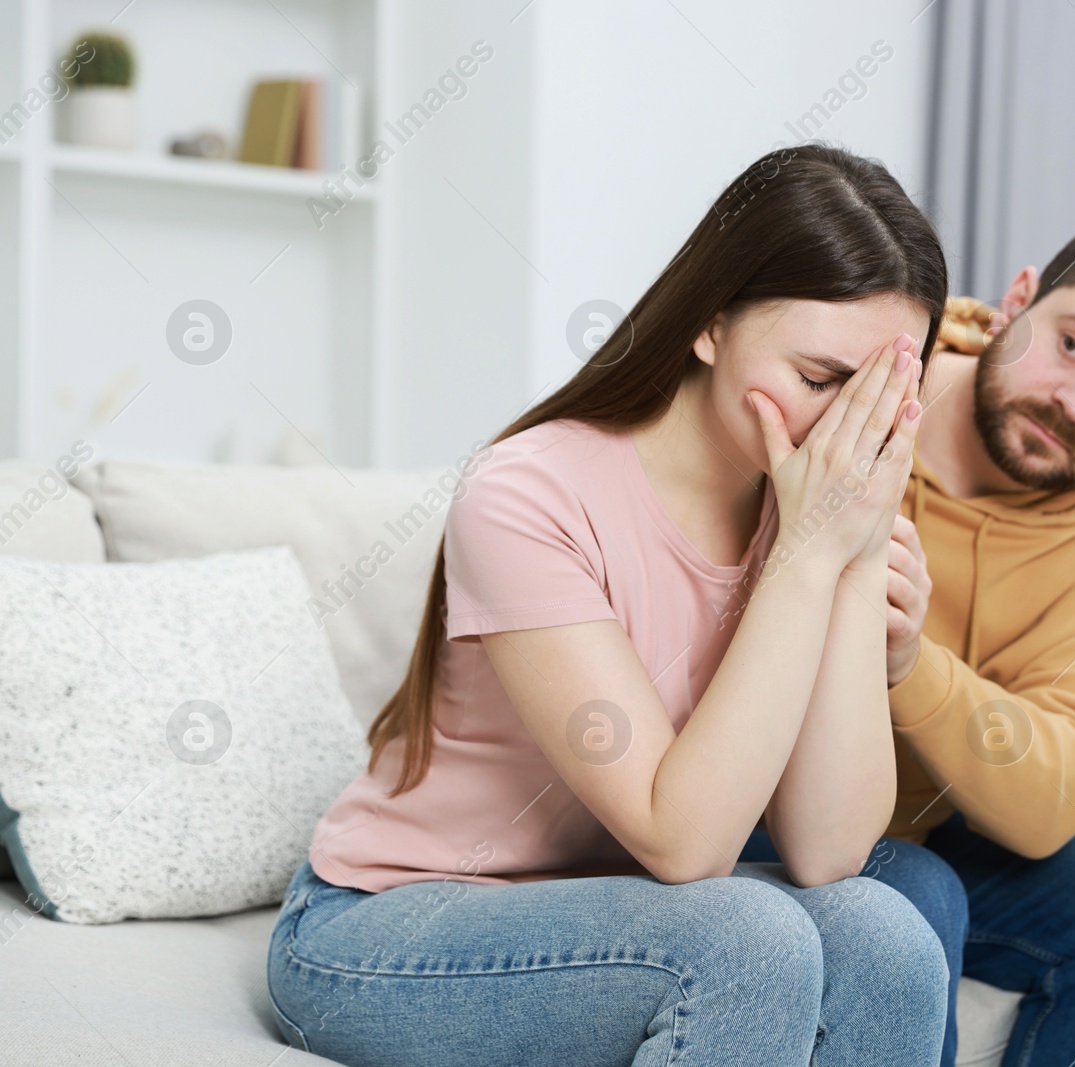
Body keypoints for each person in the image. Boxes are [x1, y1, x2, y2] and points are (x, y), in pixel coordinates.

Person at [264, 144, 966, 1067]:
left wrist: (853, 552)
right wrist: (809, 558)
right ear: (711, 324)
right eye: (821, 381)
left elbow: (830, 847)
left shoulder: (815, 504)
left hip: (619, 915)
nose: (846, 431)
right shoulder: (529, 493)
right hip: (386, 927)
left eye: (881, 396)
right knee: (745, 941)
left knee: (890, 934)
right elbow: (684, 843)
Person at [743, 210, 1075, 1066]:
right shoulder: (858, 387)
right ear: (1018, 301)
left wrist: (911, 666)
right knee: (913, 892)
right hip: (747, 803)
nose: (1074, 403)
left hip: (925, 835)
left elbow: (1053, 799)